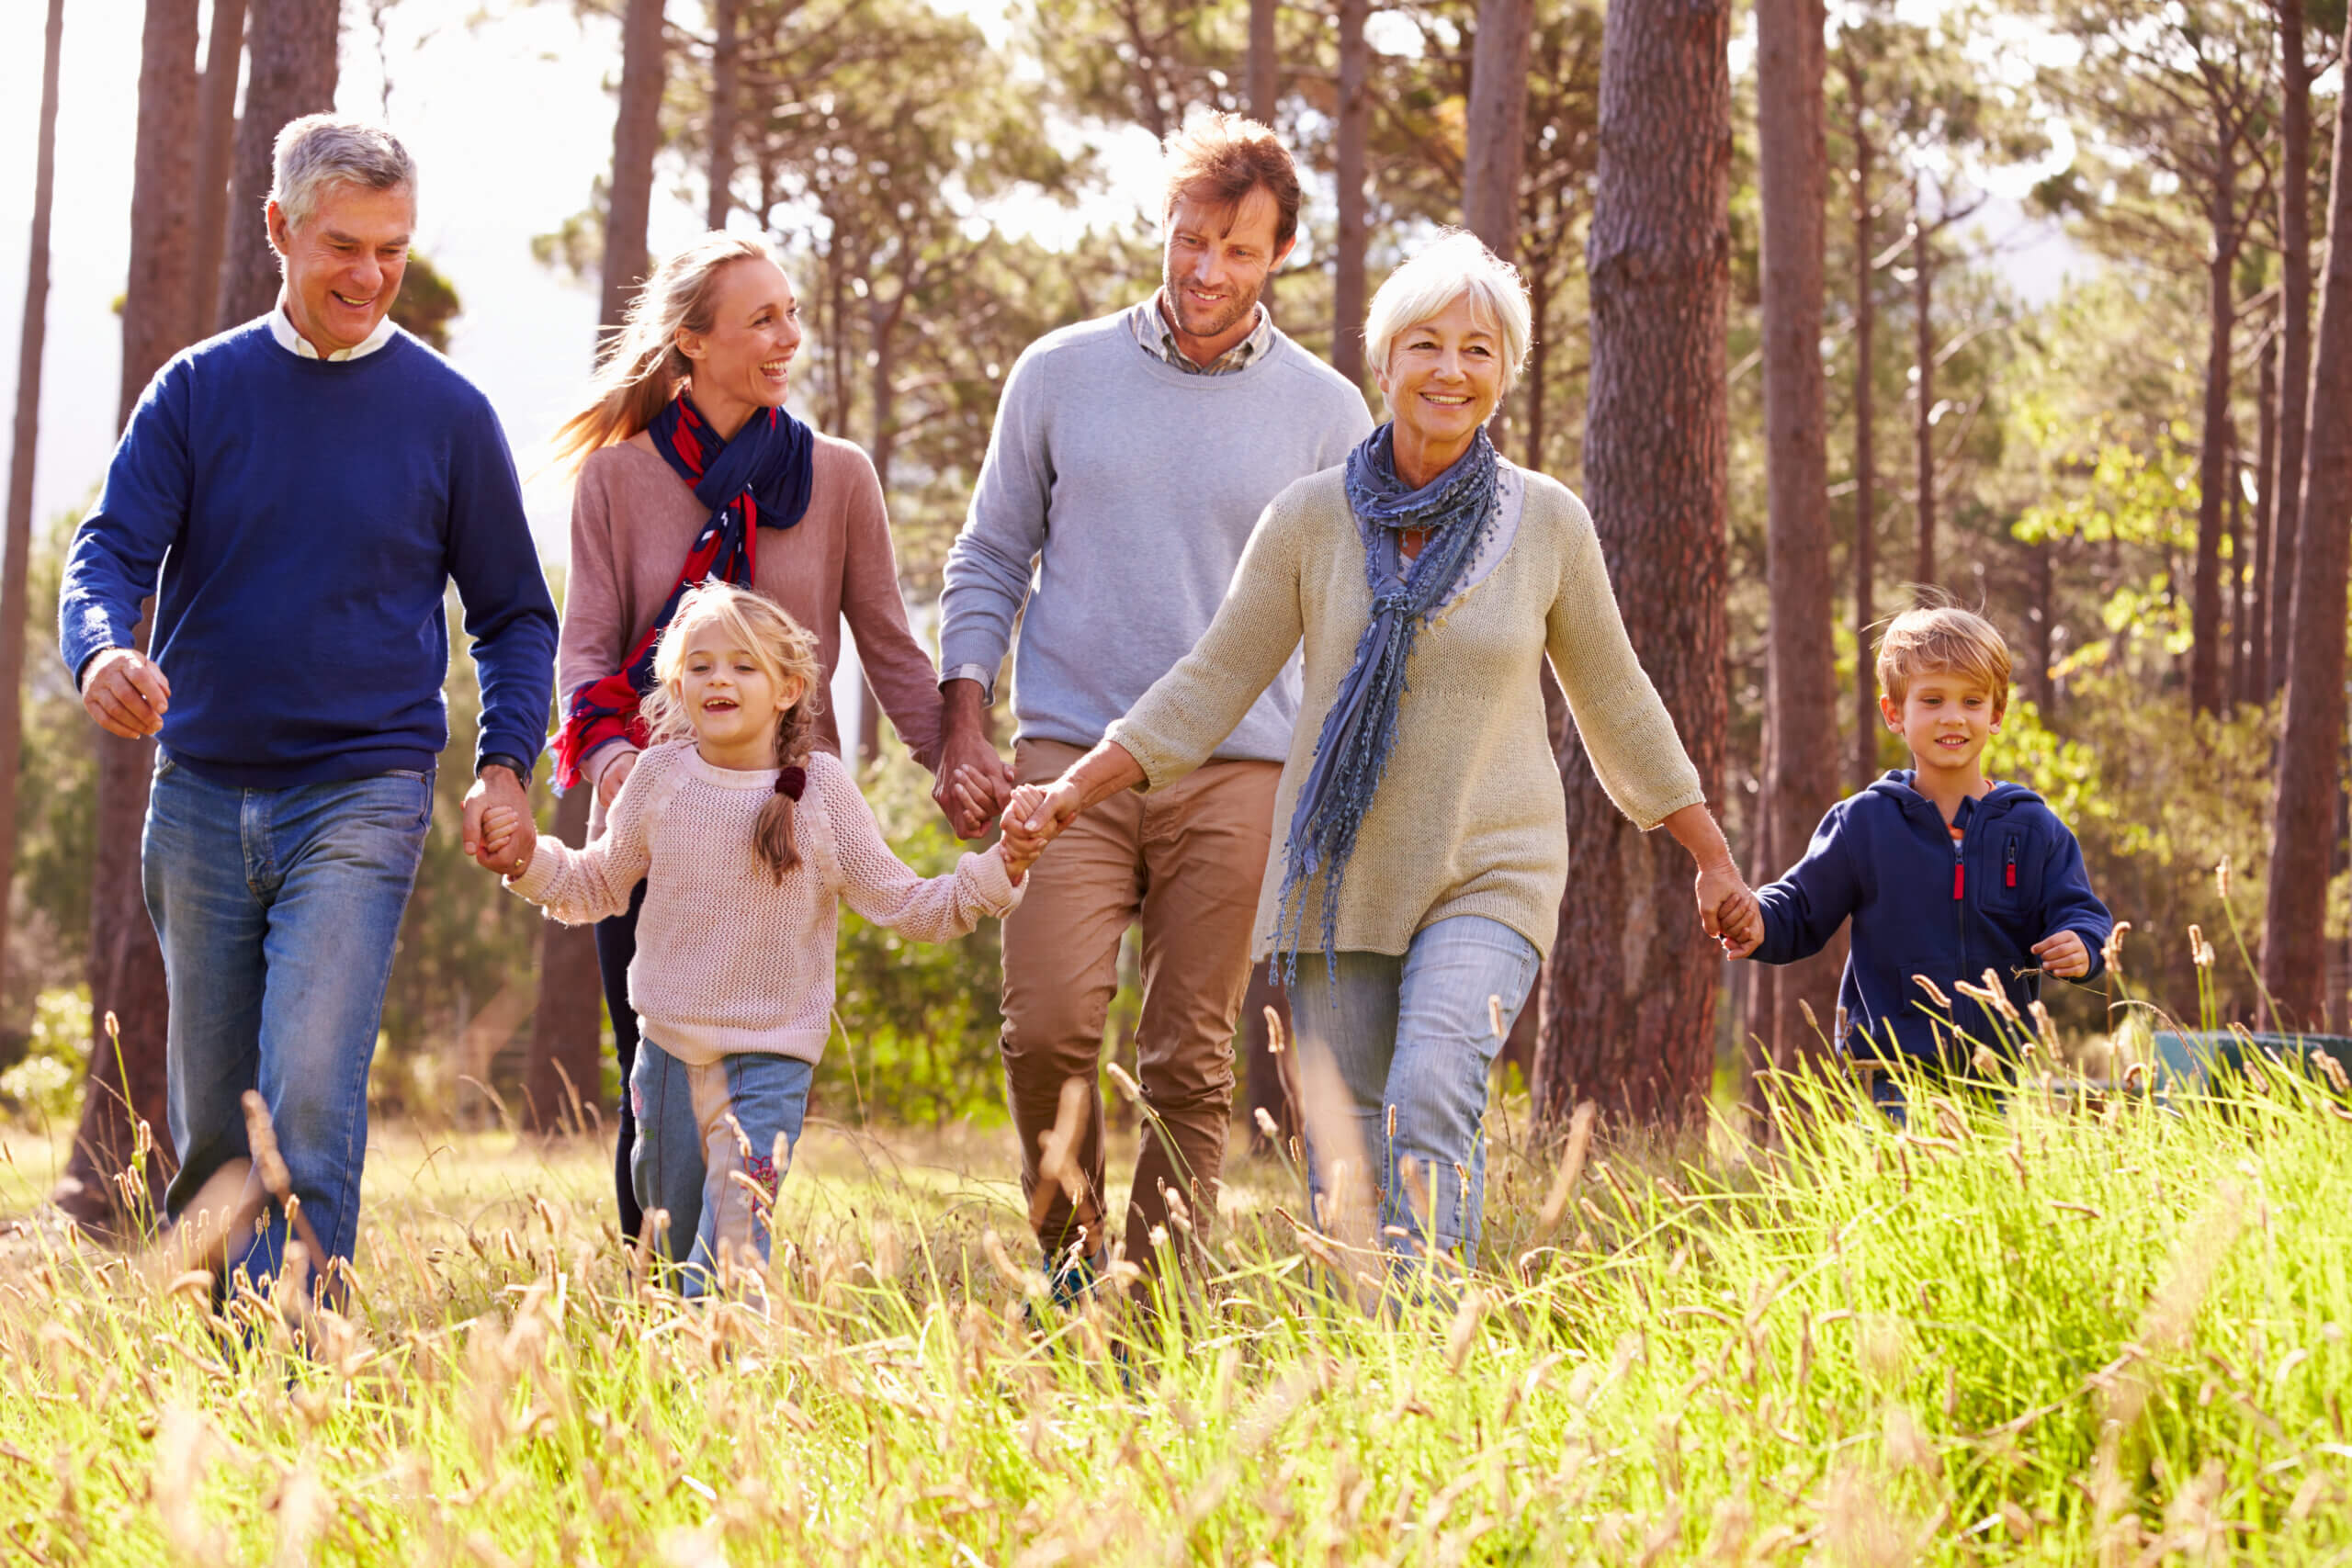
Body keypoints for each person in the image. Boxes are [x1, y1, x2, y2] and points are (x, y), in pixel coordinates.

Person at [1008, 231, 1758, 1284]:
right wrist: (1074, 786)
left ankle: (1428, 1349)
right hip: (1341, 873)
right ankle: (1376, 1368)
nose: (1450, 370)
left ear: (1505, 371)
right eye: (1425, 345)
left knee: (1431, 1090)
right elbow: (1211, 681)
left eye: (1477, 349)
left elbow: (1617, 700)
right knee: (1347, 1145)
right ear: (1384, 360)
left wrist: (1709, 855)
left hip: (1490, 867)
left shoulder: (1545, 522)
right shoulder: (1310, 519)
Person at [57, 116, 558, 1292]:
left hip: (364, 791)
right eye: (344, 245)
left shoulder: (448, 415)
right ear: (279, 229)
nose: (371, 275)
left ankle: (300, 1358)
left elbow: (514, 615)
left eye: (391, 249)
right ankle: (229, 1365)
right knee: (219, 1120)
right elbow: (109, 554)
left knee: (312, 1092)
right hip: (200, 798)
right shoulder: (197, 391)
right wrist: (96, 655)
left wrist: (502, 764)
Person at [935, 113, 1374, 1296]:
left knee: (1188, 1056)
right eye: (1189, 240)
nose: (1204, 271)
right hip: (1067, 758)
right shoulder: (1059, 373)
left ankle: (1156, 1298)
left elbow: (1348, 615)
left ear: (1278, 254)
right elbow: (988, 557)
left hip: (1240, 767)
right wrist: (964, 722)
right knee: (1047, 1025)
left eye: (1236, 249)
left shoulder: (1328, 416)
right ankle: (1071, 1265)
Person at [548, 231, 947, 1245]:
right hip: (658, 819)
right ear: (691, 340)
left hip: (785, 821)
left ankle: (730, 1286)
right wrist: (623, 773)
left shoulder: (839, 478)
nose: (788, 338)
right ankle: (654, 1298)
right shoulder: (615, 479)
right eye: (762, 318)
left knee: (762, 1078)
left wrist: (956, 761)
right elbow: (586, 652)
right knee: (654, 1077)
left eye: (792, 314)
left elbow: (892, 645)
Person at [480, 584, 1028, 1292]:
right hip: (668, 1061)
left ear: (788, 688)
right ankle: (683, 1388)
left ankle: (731, 1384)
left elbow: (907, 904)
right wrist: (527, 861)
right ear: (677, 683)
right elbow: (596, 885)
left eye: (743, 666)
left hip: (768, 1065)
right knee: (673, 1257)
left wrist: (999, 868)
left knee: (730, 1260)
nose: (719, 680)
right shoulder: (660, 777)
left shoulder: (821, 794)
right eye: (700, 666)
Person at [1729, 604, 2112, 1121]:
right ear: (1895, 714)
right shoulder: (1863, 823)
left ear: (1996, 714)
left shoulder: (2034, 828)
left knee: (1992, 1201)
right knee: (1902, 1198)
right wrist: (1757, 921)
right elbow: (1798, 907)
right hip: (1890, 1076)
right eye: (1932, 700)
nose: (1952, 716)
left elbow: (2080, 912)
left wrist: (2083, 947)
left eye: (1971, 701)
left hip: (1996, 1079)